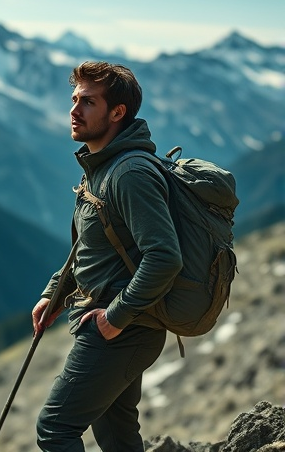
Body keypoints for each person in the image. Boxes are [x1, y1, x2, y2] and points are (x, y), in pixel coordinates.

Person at [32, 61, 183, 451]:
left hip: (122, 328)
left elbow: (164, 256)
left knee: (55, 428)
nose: (74, 110)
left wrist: (116, 317)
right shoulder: (101, 166)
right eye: (74, 99)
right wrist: (55, 293)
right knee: (115, 434)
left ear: (117, 113)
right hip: (116, 323)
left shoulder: (128, 172)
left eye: (88, 102)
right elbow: (90, 247)